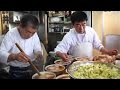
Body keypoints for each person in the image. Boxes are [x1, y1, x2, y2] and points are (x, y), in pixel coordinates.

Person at [0, 14, 43, 79]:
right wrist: (15, 56)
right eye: (27, 32)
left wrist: (39, 54)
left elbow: (37, 48)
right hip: (16, 71)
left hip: (31, 68)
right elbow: (1, 53)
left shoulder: (34, 34)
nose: (30, 36)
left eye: (33, 33)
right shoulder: (11, 34)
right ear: (20, 26)